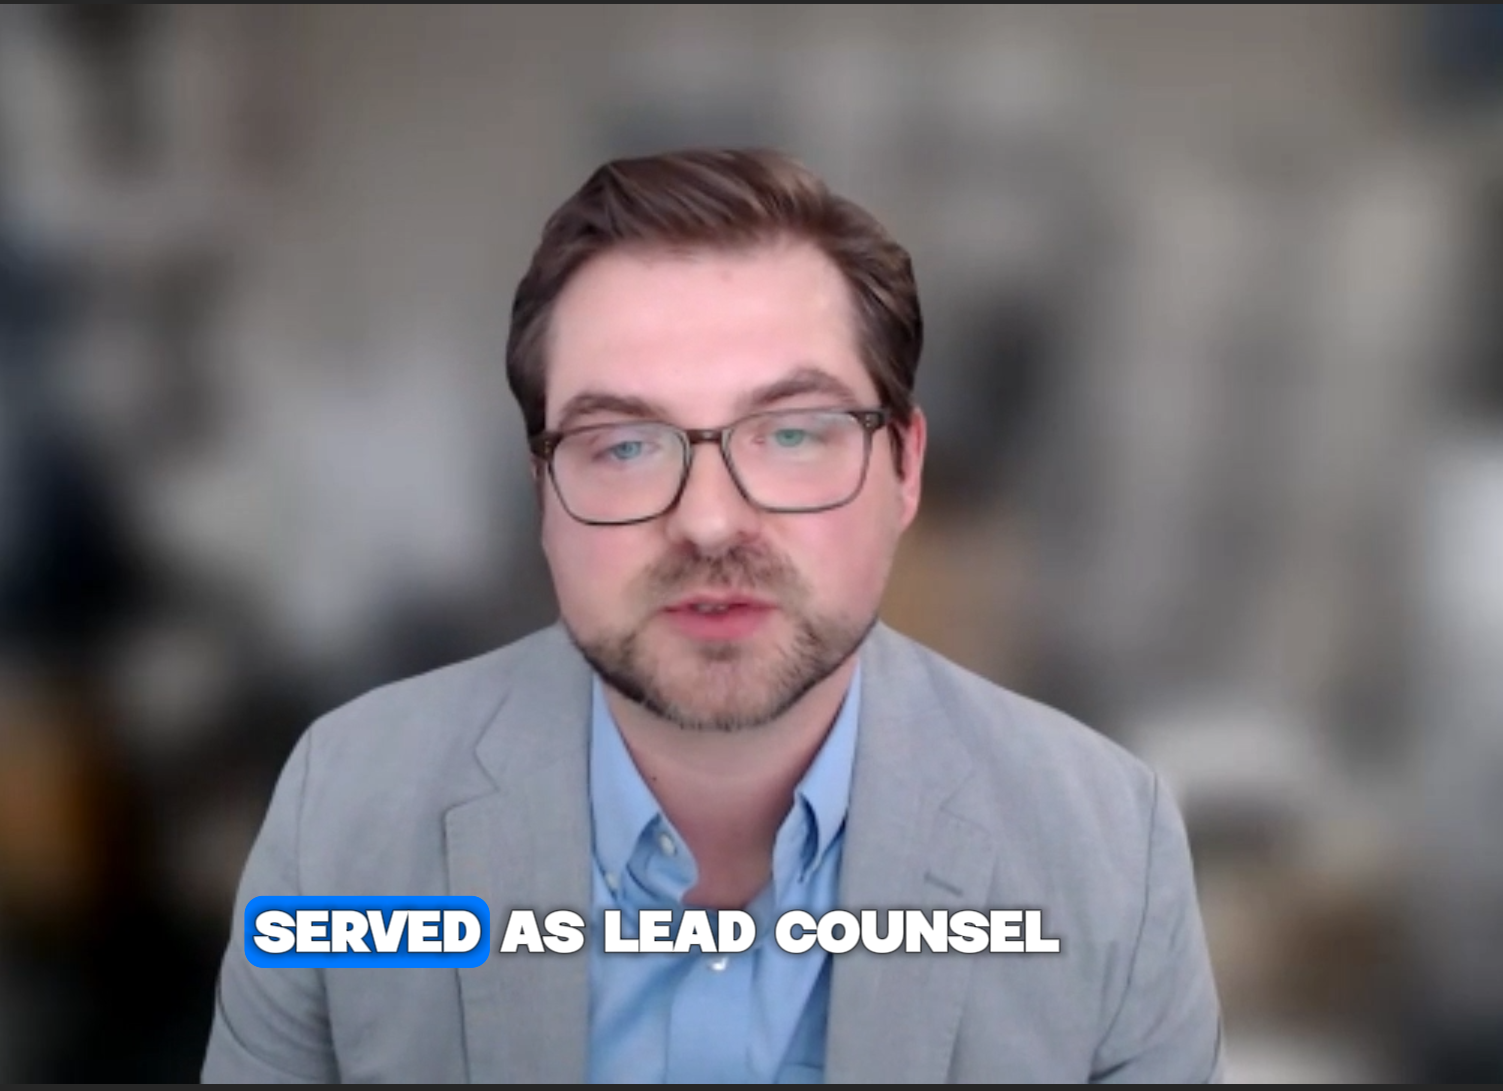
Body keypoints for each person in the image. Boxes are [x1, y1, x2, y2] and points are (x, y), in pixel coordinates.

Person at [200, 147, 1224, 1083]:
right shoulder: (343, 805)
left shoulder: (1110, 847)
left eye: (790, 432)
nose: (707, 521)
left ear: (906, 468)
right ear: (542, 493)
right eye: (624, 444)